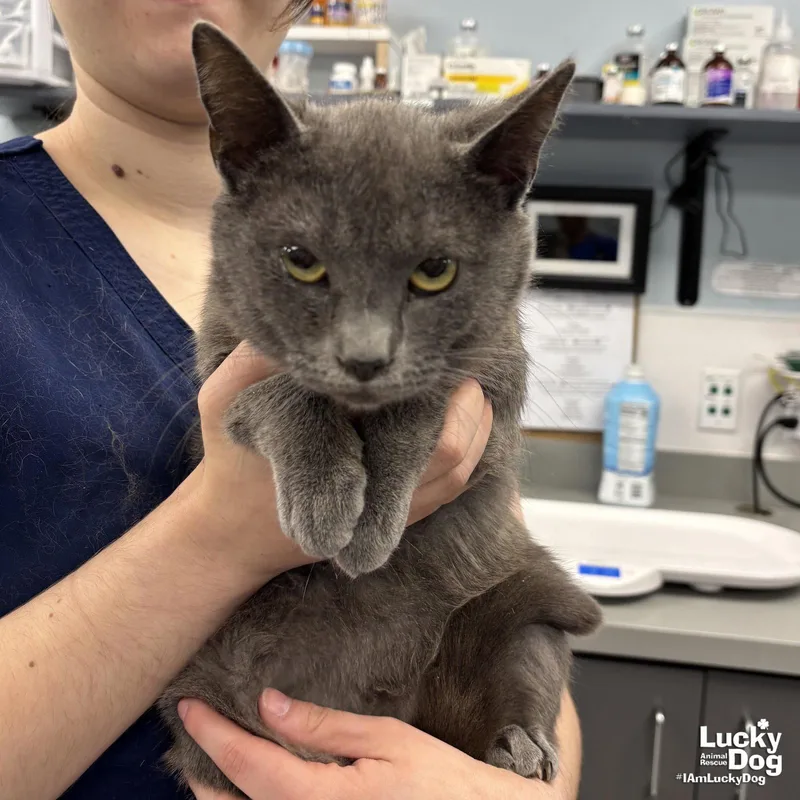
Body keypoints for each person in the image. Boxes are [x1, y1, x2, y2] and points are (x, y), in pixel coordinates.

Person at [0, 1, 584, 798]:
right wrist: (221, 533)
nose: (367, 351)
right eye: (306, 268)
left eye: (429, 277)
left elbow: (501, 594)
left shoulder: (465, 288)